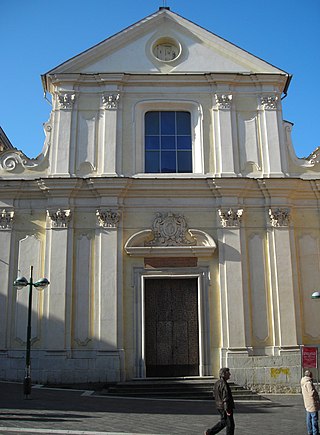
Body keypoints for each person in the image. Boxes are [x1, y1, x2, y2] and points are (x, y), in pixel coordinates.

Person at [205, 367, 235, 435]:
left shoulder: (216, 383)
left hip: (219, 406)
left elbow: (214, 394)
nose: (230, 374)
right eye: (228, 373)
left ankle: (210, 432)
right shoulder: (224, 384)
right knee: (230, 425)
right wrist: (227, 409)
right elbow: (225, 397)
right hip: (225, 407)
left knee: (224, 421)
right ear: (223, 374)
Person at [301, 369, 320, 435]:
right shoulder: (308, 383)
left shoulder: (303, 382)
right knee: (314, 418)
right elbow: (311, 393)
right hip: (312, 403)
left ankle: (310, 431)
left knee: (308, 418)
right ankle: (315, 432)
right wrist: (315, 392)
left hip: (307, 402)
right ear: (310, 375)